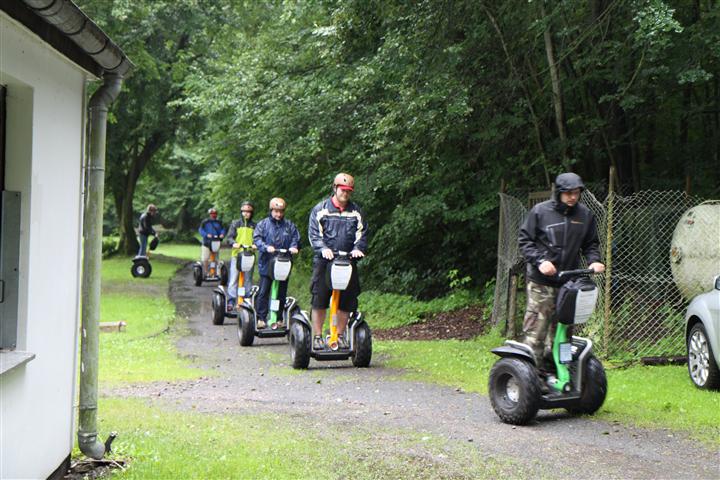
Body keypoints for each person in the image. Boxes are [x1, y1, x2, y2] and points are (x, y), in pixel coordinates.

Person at [518, 172, 605, 369]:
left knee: (563, 334)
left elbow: (591, 243)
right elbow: (525, 241)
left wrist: (594, 261)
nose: (573, 197)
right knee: (536, 332)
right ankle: (529, 375)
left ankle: (560, 373)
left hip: (568, 284)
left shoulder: (584, 215)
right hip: (542, 283)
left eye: (576, 193)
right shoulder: (540, 212)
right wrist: (540, 261)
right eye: (568, 193)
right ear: (558, 192)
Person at [308, 173, 368, 350]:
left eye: (348, 191)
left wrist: (358, 249)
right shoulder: (321, 209)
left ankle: (339, 335)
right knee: (319, 299)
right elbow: (314, 234)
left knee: (347, 300)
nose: (345, 193)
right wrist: (323, 248)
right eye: (342, 190)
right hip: (324, 261)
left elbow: (362, 234)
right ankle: (317, 336)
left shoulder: (356, 212)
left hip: (348, 261)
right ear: (335, 188)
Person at [253, 198, 300, 329]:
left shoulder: (289, 225)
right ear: (271, 210)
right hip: (267, 263)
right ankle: (261, 318)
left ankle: (278, 318)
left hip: (283, 263)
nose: (278, 214)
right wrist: (265, 247)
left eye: (281, 211)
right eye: (276, 211)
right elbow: (257, 238)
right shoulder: (263, 224)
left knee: (281, 292)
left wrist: (294, 246)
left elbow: (295, 238)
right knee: (264, 291)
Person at [225, 201, 257, 311]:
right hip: (237, 255)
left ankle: (246, 300)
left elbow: (257, 238)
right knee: (234, 278)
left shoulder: (255, 226)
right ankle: (231, 300)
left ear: (251, 213)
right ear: (241, 212)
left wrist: (255, 244)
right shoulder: (235, 223)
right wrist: (233, 243)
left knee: (248, 279)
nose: (246, 213)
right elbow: (229, 237)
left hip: (249, 255)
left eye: (248, 211)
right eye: (244, 211)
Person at [198, 208, 226, 275]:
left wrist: (222, 234)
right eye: (212, 214)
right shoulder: (205, 222)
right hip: (206, 243)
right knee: (205, 258)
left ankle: (216, 273)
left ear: (217, 214)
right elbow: (200, 230)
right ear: (209, 214)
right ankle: (206, 272)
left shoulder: (219, 222)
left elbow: (223, 229)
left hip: (216, 242)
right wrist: (206, 235)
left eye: (215, 214)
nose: (213, 215)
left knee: (216, 259)